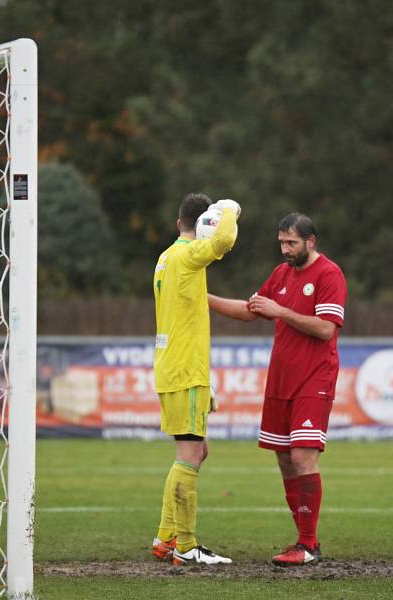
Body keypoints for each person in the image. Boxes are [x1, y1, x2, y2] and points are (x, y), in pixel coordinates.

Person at [207, 212, 346, 567]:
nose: (285, 249)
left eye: (292, 243)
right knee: (284, 460)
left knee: (302, 456)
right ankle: (302, 542)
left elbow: (327, 329)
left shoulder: (330, 274)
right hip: (281, 378)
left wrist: (280, 311)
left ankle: (308, 545)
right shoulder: (281, 274)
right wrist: (201, 297)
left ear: (310, 242)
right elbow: (251, 310)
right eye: (282, 242)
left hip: (314, 378)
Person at [151, 193, 240, 566]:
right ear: (204, 223)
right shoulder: (189, 256)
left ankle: (165, 538)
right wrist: (229, 209)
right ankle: (185, 547)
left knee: (197, 450)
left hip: (175, 366)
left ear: (178, 223)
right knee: (188, 454)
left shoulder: (164, 258)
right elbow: (224, 240)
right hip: (185, 370)